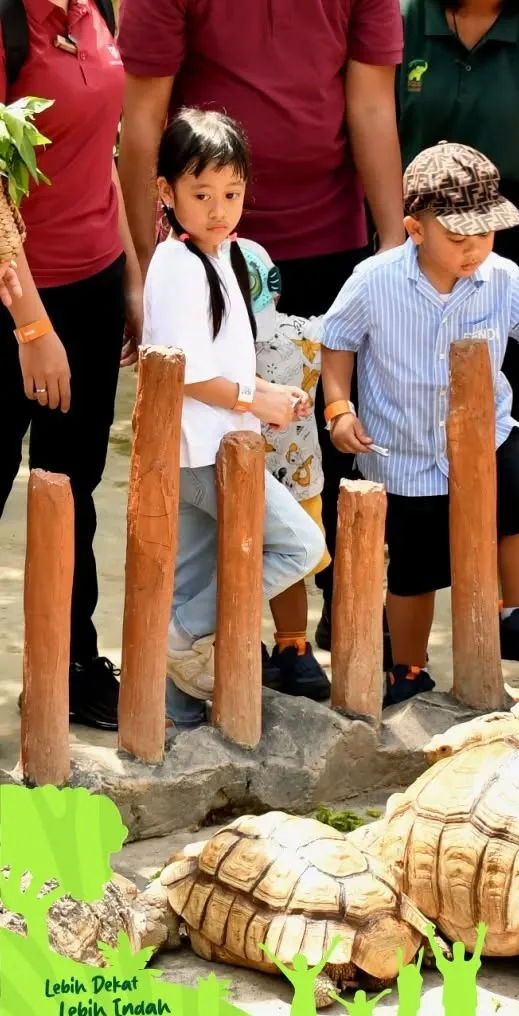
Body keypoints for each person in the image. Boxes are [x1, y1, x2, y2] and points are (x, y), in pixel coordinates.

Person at [116, 0, 407, 657]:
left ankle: (354, 618)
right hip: (209, 253)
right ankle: (265, 643)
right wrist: (142, 268)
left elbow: (371, 104)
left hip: (333, 236)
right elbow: (143, 119)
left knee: (343, 439)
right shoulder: (182, 264)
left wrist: (392, 245)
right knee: (239, 463)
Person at [320, 143, 519, 706]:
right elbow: (337, 341)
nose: (474, 247)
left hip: (486, 434)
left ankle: (518, 613)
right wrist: (338, 408)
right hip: (404, 450)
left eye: (485, 232)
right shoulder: (373, 280)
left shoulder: (500, 276)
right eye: (457, 237)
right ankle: (408, 667)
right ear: (415, 230)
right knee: (415, 569)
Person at [140, 109, 324, 729]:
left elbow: (214, 360)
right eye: (202, 195)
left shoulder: (219, 253)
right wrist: (253, 399)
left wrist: (267, 391)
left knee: (191, 577)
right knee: (301, 545)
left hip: (214, 443)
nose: (219, 209)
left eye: (232, 193)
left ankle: (177, 718)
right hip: (201, 451)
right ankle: (179, 635)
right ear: (166, 191)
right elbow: (181, 371)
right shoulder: (177, 263)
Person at [0, 0, 142, 730]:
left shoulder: (96, 10)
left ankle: (72, 665)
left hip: (96, 283)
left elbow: (100, 155)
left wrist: (133, 279)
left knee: (73, 485)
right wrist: (31, 325)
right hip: (16, 297)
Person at [397, 0, 519, 481]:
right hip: (413, 219)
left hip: (512, 219)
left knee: (518, 361)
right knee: (408, 358)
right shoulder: (403, 19)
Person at [238, 238, 332, 702]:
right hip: (292, 477)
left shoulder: (221, 345)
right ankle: (289, 646)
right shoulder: (305, 334)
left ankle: (256, 642)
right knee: (285, 563)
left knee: (245, 560)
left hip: (250, 480)